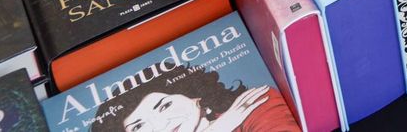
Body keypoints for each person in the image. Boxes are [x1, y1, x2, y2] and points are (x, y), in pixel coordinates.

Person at [91, 63, 295, 131]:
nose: (161, 125)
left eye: (165, 106)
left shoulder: (256, 104)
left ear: (194, 95)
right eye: (138, 127)